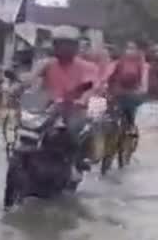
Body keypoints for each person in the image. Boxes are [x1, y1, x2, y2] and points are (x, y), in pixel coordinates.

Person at [20, 25, 101, 171]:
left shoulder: (87, 67)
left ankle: (75, 163)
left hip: (73, 108)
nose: (63, 48)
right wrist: (18, 86)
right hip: (48, 108)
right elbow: (31, 78)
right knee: (29, 127)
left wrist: (82, 99)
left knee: (71, 132)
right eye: (59, 44)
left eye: (67, 45)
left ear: (75, 47)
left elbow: (90, 86)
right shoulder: (47, 63)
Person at [105, 40, 148, 131]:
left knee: (129, 109)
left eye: (132, 48)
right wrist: (104, 84)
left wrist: (142, 89)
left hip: (133, 94)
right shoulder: (119, 62)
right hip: (117, 92)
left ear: (137, 50)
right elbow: (108, 74)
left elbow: (144, 77)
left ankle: (129, 126)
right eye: (128, 48)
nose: (129, 51)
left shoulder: (141, 63)